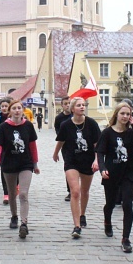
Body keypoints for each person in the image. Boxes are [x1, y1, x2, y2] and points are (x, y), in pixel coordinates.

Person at [96, 102, 133, 252]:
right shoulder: (107, 133)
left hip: (128, 173)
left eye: (128, 114)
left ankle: (126, 238)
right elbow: (100, 152)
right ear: (116, 114)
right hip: (112, 172)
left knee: (127, 204)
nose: (125, 116)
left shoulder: (131, 132)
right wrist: (102, 168)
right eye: (122, 113)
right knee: (110, 203)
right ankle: (107, 221)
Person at [53, 97, 101, 238]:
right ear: (72, 109)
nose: (82, 107)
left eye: (83, 105)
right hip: (71, 160)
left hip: (87, 160)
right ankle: (76, 226)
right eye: (79, 105)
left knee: (85, 191)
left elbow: (97, 144)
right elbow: (61, 140)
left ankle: (82, 214)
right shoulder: (66, 125)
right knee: (75, 191)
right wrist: (55, 153)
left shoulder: (91, 124)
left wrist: (97, 161)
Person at [0, 99, 40, 239]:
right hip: (9, 163)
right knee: (12, 193)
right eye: (14, 108)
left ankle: (24, 223)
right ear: (10, 111)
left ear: (22, 110)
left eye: (19, 108)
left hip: (26, 163)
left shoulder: (28, 126)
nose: (17, 110)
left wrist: (35, 164)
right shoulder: (3, 127)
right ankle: (14, 216)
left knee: (23, 193)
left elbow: (32, 146)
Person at [54, 96, 73, 202]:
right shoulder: (59, 118)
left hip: (78, 146)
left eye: (69, 103)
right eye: (65, 103)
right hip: (66, 147)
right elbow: (58, 132)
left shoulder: (76, 115)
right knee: (69, 168)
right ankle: (70, 191)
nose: (68, 105)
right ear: (62, 105)